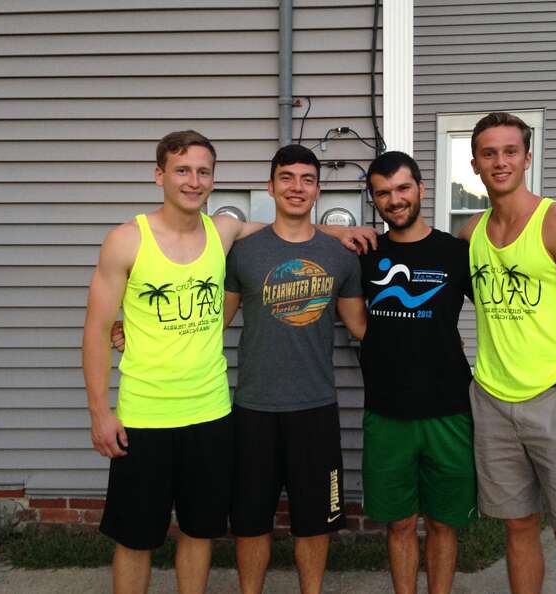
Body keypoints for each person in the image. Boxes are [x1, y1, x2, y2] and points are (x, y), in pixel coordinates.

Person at [83, 131, 373, 594]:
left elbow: (294, 238)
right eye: (182, 170)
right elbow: (99, 331)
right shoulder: (128, 240)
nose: (193, 181)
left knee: (201, 533)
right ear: (159, 175)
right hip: (150, 415)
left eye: (202, 172)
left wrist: (339, 232)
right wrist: (102, 409)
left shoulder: (225, 232)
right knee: (138, 538)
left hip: (216, 413)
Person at [458, 112, 556, 594]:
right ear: (475, 164)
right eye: (489, 153)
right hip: (492, 402)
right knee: (518, 527)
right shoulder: (470, 236)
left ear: (527, 158)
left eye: (510, 152)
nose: (499, 162)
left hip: (555, 401)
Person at [223, 144, 367, 594]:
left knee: (314, 521)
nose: (296, 187)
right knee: (250, 521)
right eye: (287, 178)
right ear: (270, 186)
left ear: (319, 190)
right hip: (254, 407)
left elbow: (362, 326)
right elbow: (212, 323)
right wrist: (141, 330)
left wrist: (427, 335)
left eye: (307, 179)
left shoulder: (340, 255)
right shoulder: (242, 252)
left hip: (315, 409)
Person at [359, 151, 477, 594]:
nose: (395, 199)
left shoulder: (455, 253)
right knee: (401, 524)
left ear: (421, 189)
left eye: (403, 188)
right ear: (375, 200)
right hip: (387, 411)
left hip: (449, 408)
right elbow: (354, 317)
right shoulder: (367, 254)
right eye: (384, 193)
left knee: (445, 524)